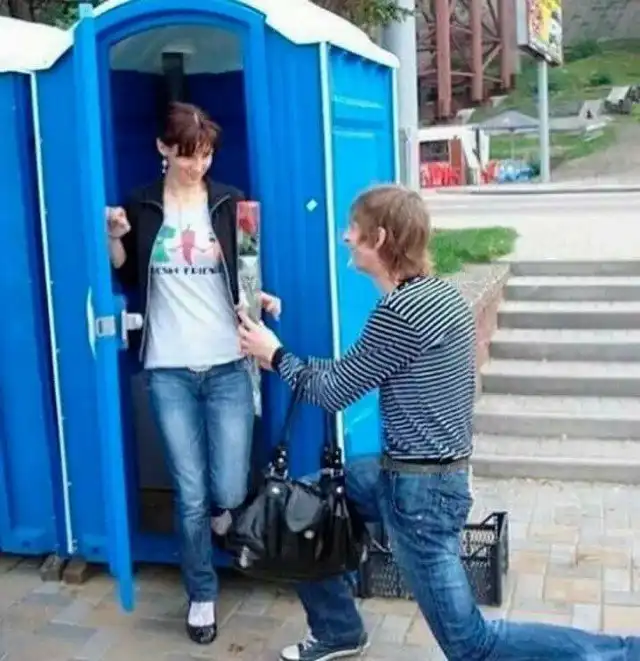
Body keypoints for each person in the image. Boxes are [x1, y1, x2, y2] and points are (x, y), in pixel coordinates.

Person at [238, 184, 640, 661]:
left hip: (419, 497)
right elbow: (350, 372)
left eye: (353, 228)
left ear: (379, 238)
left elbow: (333, 392)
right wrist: (278, 357)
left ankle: (622, 652)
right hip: (414, 477)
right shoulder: (439, 296)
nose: (346, 237)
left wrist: (276, 355)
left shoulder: (400, 312)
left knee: (472, 646)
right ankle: (339, 630)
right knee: (306, 505)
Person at [106, 101, 280, 645]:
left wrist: (260, 299)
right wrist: (114, 237)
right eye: (187, 155)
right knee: (190, 491)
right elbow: (127, 275)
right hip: (168, 367)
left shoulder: (231, 200)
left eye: (205, 155)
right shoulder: (140, 203)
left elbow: (247, 269)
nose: (197, 165)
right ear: (163, 148)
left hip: (228, 362)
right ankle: (201, 592)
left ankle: (225, 516)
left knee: (227, 484)